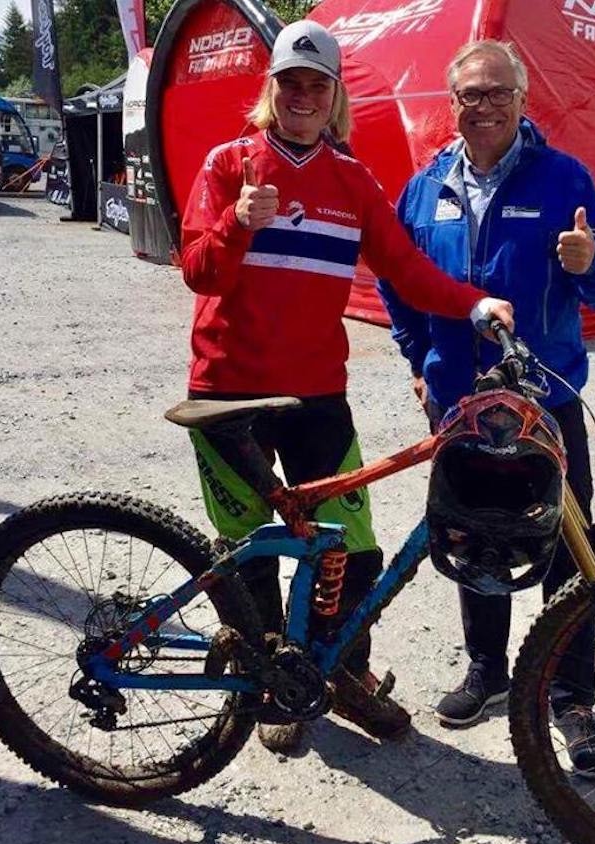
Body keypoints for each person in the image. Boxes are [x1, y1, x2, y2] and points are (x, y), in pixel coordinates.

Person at [178, 21, 514, 754]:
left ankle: (340, 674)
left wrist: (475, 304)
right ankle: (275, 689)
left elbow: (408, 271)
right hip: (227, 393)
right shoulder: (229, 162)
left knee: (354, 555)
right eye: (289, 83)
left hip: (315, 398)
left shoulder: (352, 180)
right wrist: (237, 223)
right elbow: (197, 271)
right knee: (254, 555)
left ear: (333, 98)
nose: (301, 96)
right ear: (270, 91)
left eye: (315, 84)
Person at [377, 40, 595, 778]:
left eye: (493, 93)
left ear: (521, 98)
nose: (480, 106)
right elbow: (397, 278)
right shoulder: (425, 188)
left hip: (544, 400)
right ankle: (487, 671)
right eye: (467, 95)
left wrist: (590, 260)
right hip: (458, 403)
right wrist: (418, 359)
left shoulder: (562, 178)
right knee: (470, 539)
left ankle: (572, 698)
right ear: (450, 105)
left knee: (569, 549)